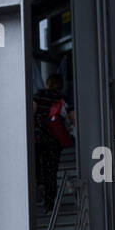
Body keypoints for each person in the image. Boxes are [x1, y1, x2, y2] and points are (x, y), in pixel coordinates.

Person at [32, 73, 72, 209]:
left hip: (38, 137)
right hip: (54, 139)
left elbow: (32, 110)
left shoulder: (39, 94)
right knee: (52, 170)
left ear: (47, 83)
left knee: (37, 162)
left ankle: (39, 182)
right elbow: (71, 118)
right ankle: (49, 203)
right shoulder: (62, 98)